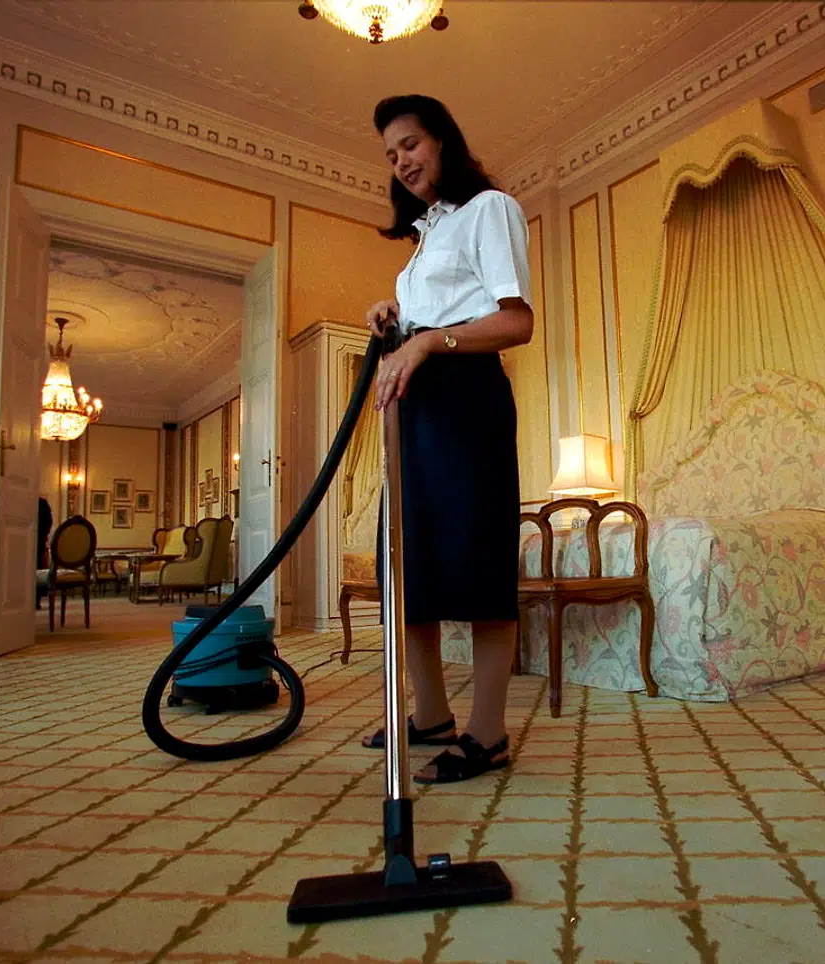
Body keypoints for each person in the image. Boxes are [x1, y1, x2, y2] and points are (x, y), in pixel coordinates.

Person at [361, 94, 534, 785]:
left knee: (479, 558)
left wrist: (430, 340)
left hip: (467, 402)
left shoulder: (490, 208)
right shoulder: (426, 237)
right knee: (407, 559)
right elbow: (438, 308)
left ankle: (487, 733)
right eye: (391, 154)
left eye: (409, 144)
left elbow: (516, 322)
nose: (401, 161)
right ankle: (430, 714)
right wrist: (398, 315)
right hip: (416, 406)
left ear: (443, 141)